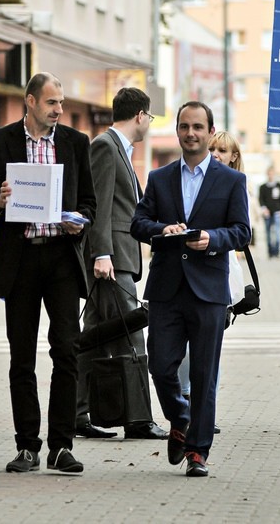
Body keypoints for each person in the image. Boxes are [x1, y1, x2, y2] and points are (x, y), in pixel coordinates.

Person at [0, 72, 96, 474]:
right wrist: (0, 201)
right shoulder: (0, 141)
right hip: (20, 259)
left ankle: (61, 446)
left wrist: (81, 221)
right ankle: (27, 446)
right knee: (21, 356)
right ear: (29, 102)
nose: (59, 110)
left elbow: (89, 203)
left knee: (66, 349)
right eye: (51, 103)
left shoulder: (75, 144)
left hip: (60, 257)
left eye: (60, 103)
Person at [130, 102, 250, 477]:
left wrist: (213, 239)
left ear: (210, 132)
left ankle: (198, 450)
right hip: (167, 288)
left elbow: (243, 231)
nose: (191, 133)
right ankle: (181, 416)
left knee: (203, 374)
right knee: (162, 365)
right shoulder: (160, 177)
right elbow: (138, 222)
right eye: (185, 127)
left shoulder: (231, 181)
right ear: (178, 131)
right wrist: (159, 230)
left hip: (209, 290)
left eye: (198, 127)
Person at [76, 87, 168, 441]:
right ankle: (139, 419)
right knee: (132, 333)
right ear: (141, 115)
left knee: (94, 338)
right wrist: (101, 254)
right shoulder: (105, 146)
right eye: (150, 117)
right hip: (111, 260)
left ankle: (76, 413)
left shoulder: (120, 150)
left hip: (117, 257)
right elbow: (97, 204)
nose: (148, 123)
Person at [177, 130, 247, 434]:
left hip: (220, 271)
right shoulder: (193, 178)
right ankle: (185, 403)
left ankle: (204, 411)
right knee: (184, 349)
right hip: (186, 270)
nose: (217, 153)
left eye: (223, 149)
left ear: (233, 156)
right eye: (214, 148)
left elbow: (242, 231)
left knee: (210, 349)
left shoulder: (235, 184)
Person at [258, 166, 280, 258]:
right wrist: (264, 209)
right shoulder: (263, 187)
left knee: (277, 232)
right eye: (269, 173)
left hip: (277, 211)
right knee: (268, 233)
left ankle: (276, 252)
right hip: (267, 213)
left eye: (272, 173)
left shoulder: (279, 186)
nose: (271, 175)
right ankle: (270, 252)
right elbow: (261, 199)